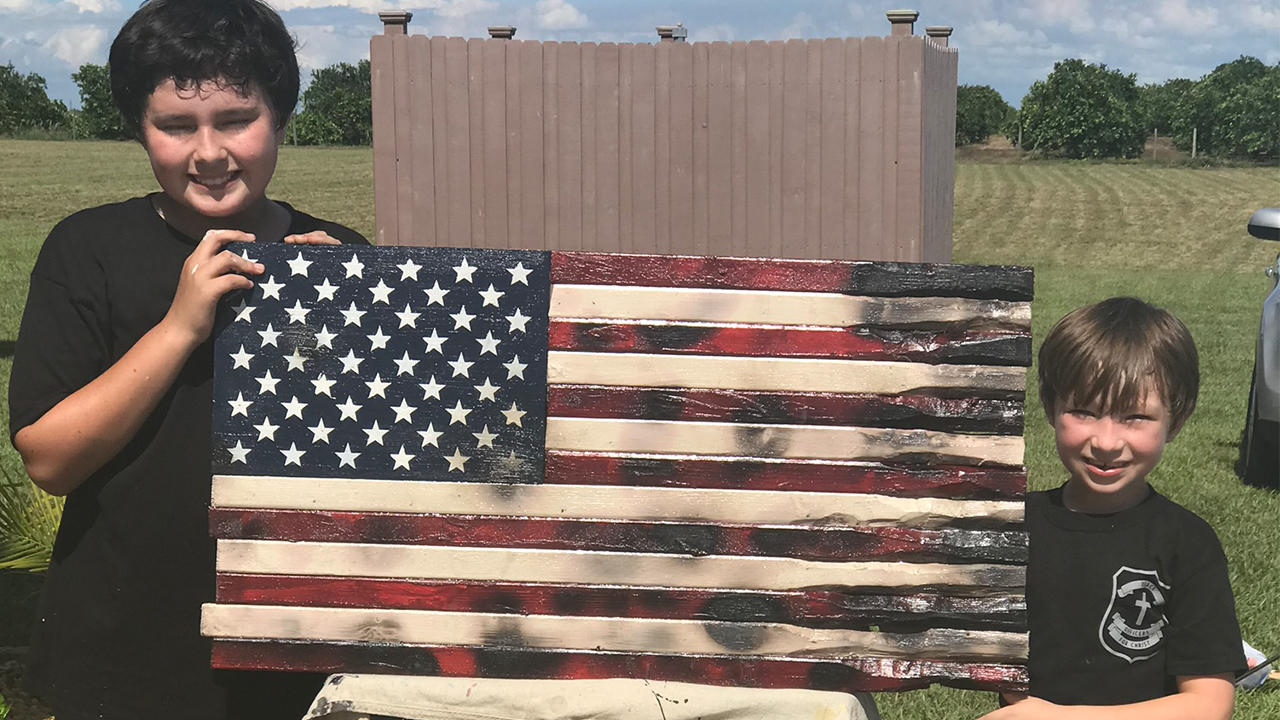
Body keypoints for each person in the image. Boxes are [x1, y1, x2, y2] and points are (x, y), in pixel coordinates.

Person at [8, 1, 368, 718]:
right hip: (123, 644)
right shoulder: (88, 250)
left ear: (282, 116)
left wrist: (359, 322)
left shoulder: (341, 258)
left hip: (298, 639)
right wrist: (179, 327)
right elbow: (50, 460)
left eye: (236, 119)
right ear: (139, 131)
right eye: (175, 126)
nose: (209, 153)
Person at [980, 297, 1245, 720]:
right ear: (1051, 407)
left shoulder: (1187, 544)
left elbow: (1208, 704)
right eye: (1084, 411)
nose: (1106, 441)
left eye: (1135, 417)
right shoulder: (1009, 525)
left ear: (1176, 421)